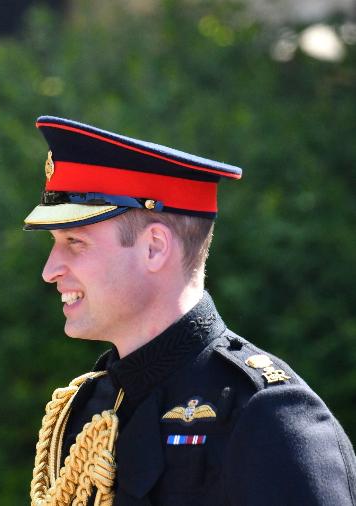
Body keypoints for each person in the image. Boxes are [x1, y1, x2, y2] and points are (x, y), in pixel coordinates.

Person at [23, 116, 356, 505]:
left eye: (74, 242)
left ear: (155, 247)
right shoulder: (89, 408)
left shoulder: (267, 414)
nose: (50, 270)